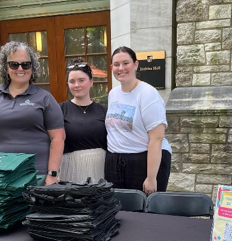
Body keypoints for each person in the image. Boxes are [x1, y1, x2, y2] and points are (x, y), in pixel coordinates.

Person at [0, 41, 65, 184]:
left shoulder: (45, 98)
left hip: (35, 175)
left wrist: (53, 174)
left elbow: (58, 138)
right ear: (5, 68)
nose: (20, 69)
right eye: (14, 64)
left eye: (26, 64)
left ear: (32, 68)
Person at [105, 46, 172, 195]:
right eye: (116, 65)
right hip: (115, 162)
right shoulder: (113, 94)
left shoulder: (148, 94)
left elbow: (157, 137)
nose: (121, 68)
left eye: (125, 63)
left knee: (144, 214)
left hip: (143, 161)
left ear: (136, 64)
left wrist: (151, 177)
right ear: (111, 67)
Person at [59, 59, 107, 183]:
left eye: (81, 80)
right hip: (70, 172)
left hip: (100, 171)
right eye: (72, 81)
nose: (77, 85)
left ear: (91, 82)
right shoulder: (60, 110)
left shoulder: (104, 111)